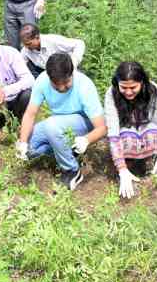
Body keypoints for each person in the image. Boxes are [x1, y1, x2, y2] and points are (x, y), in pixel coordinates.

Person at [17, 53, 107, 191]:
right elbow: (30, 114)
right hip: (59, 123)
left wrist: (86, 140)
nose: (61, 88)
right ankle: (68, 150)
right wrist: (23, 142)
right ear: (49, 77)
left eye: (66, 83)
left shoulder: (84, 85)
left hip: (83, 123)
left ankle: (72, 170)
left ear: (72, 73)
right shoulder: (42, 81)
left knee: (51, 125)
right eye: (56, 85)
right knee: (30, 148)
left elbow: (102, 127)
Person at [105, 62, 157, 198]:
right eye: (123, 87)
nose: (128, 92)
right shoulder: (112, 93)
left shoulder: (153, 91)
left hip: (150, 128)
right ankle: (128, 167)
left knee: (153, 134)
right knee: (127, 138)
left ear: (142, 82)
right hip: (126, 129)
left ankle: (151, 163)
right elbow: (113, 134)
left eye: (133, 87)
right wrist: (121, 169)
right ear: (117, 84)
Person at [19, 23, 85, 78]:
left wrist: (73, 63)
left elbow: (79, 43)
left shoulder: (53, 40)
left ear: (37, 37)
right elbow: (20, 66)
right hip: (48, 73)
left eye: (29, 44)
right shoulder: (25, 50)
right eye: (24, 44)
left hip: (67, 68)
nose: (26, 47)